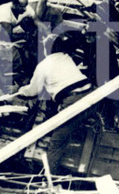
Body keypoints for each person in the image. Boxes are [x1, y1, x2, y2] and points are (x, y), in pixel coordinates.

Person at [16, 33, 93, 174]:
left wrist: (21, 90)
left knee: (57, 142)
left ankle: (50, 178)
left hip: (73, 101)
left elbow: (33, 91)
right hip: (91, 94)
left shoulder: (43, 66)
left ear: (45, 49)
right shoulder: (66, 57)